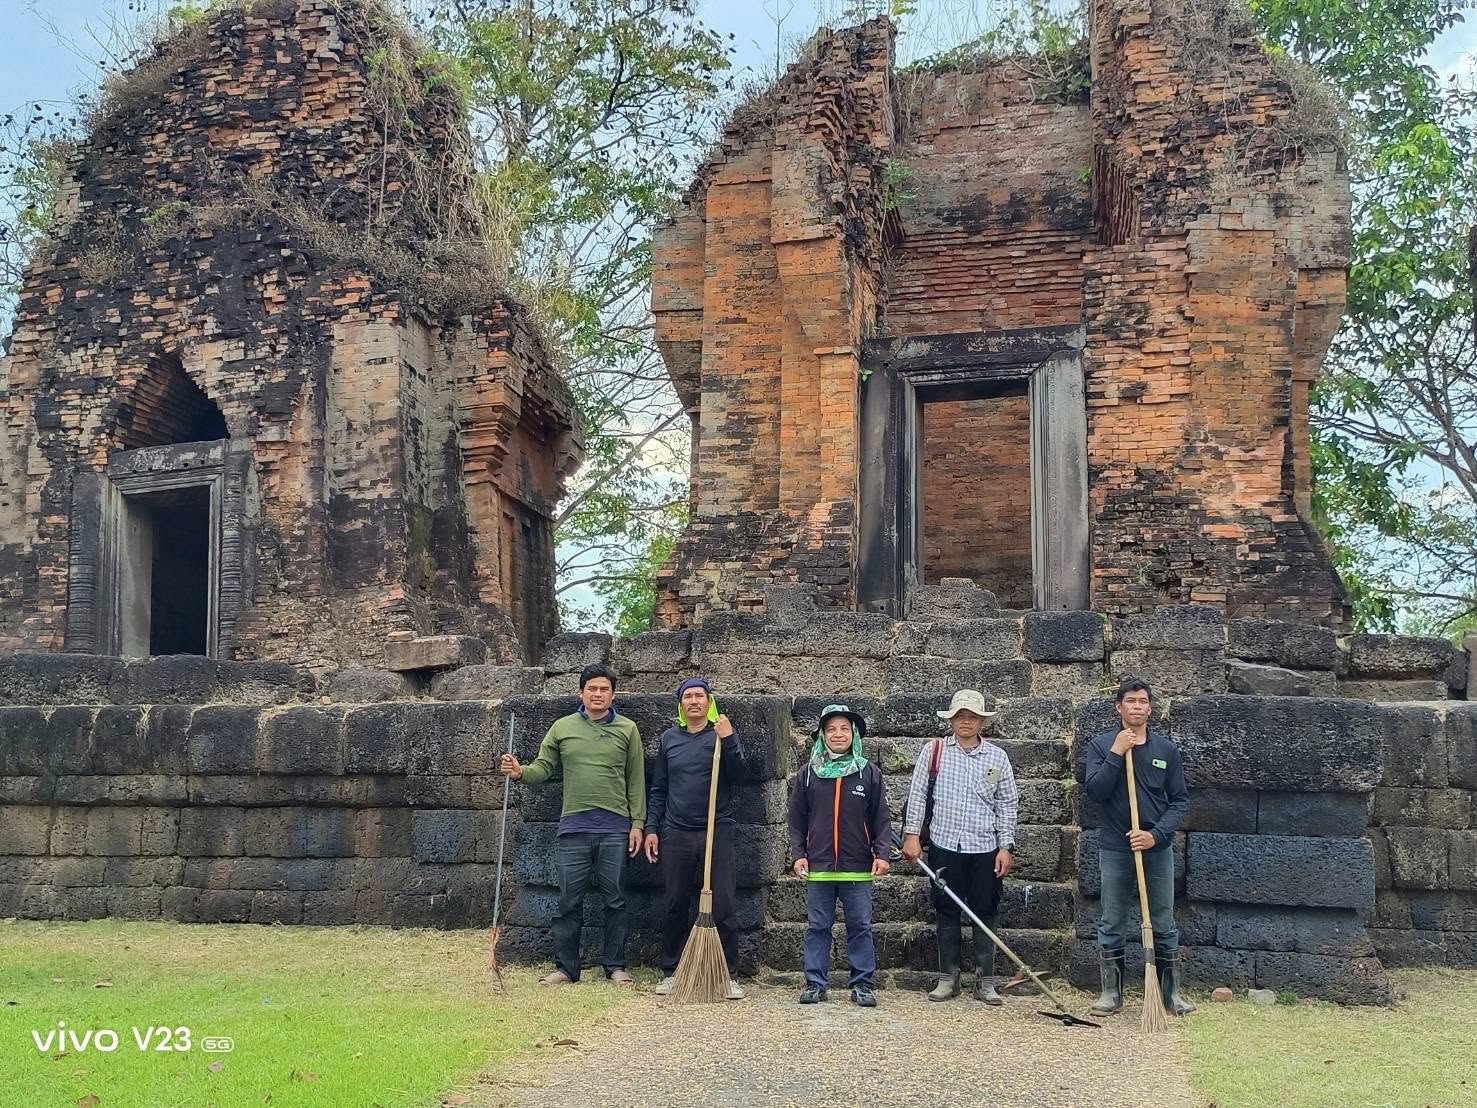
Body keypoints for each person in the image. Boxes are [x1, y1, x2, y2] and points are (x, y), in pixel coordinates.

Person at [499, 663, 645, 986]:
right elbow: (543, 768)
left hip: (614, 828)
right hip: (573, 828)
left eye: (604, 689)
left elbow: (636, 780)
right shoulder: (562, 728)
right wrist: (520, 772)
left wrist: (637, 824)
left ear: (613, 695)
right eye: (592, 689)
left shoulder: (628, 729)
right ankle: (566, 968)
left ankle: (615, 965)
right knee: (568, 900)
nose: (598, 694)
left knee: (615, 899)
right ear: (581, 693)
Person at [1083, 676, 1194, 1016]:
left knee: (1163, 920)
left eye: (1143, 701)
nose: (1137, 706)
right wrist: (1117, 752)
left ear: (1150, 709)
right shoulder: (1101, 745)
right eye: (1130, 701)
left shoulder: (1166, 750)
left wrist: (1155, 835)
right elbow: (1095, 791)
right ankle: (1111, 993)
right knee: (1112, 919)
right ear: (1118, 707)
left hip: (1156, 848)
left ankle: (1170, 994)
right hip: (1116, 848)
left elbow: (1179, 801)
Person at [901, 688, 1019, 1004]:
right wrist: (912, 835)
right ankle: (947, 978)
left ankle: (985, 981)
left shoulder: (997, 757)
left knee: (985, 909)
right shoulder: (934, 751)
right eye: (960, 716)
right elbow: (917, 794)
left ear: (982, 721)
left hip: (985, 847)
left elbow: (1007, 803)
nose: (966, 721)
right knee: (946, 908)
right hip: (945, 844)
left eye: (973, 717)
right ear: (951, 720)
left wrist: (1006, 846)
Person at [645, 677, 746, 1000]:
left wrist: (728, 740)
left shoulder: (720, 735)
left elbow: (740, 775)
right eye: (687, 696)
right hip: (677, 831)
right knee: (674, 902)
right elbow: (659, 788)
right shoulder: (669, 739)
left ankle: (727, 974)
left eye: (699, 696)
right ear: (681, 705)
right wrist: (651, 828)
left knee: (724, 903)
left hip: (717, 829)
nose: (693, 701)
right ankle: (672, 970)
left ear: (708, 702)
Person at [787, 704, 892, 1008]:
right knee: (818, 927)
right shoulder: (808, 774)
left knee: (860, 926)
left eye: (845, 728)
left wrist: (882, 853)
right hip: (819, 865)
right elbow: (797, 819)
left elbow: (880, 818)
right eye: (831, 729)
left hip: (857, 866)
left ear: (854, 734)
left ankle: (863, 985)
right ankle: (815, 983)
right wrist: (798, 854)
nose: (838, 734)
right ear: (822, 735)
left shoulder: (868, 772)